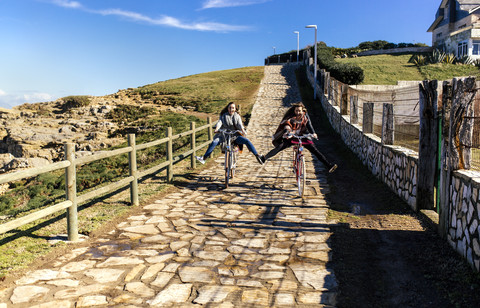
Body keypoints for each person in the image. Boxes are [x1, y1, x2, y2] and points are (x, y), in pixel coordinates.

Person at [259, 102, 337, 173]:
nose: (298, 112)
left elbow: (309, 124)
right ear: (294, 110)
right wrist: (287, 132)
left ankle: (329, 165)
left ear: (302, 110)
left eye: (299, 111)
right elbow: (287, 125)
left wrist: (313, 133)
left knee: (314, 150)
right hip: (292, 136)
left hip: (303, 135)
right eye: (296, 111)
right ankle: (264, 158)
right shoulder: (291, 117)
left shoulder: (305, 116)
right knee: (280, 147)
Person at [195, 102, 264, 165]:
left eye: (233, 108)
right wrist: (217, 129)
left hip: (235, 136)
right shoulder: (223, 116)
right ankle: (204, 158)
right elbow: (220, 122)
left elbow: (240, 124)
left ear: (235, 109)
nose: (231, 109)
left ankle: (257, 155)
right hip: (224, 135)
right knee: (214, 142)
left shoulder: (237, 116)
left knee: (246, 141)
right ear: (227, 108)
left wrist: (243, 130)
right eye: (230, 107)